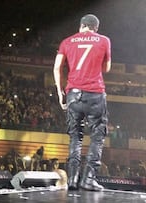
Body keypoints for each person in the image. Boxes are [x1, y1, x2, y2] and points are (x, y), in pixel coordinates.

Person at [53, 14, 111, 191]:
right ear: (95, 27)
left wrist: (59, 92)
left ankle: (72, 180)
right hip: (95, 94)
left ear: (82, 26)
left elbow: (57, 67)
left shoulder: (67, 41)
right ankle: (89, 179)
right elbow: (106, 68)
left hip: (73, 94)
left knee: (75, 138)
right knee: (97, 136)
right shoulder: (104, 40)